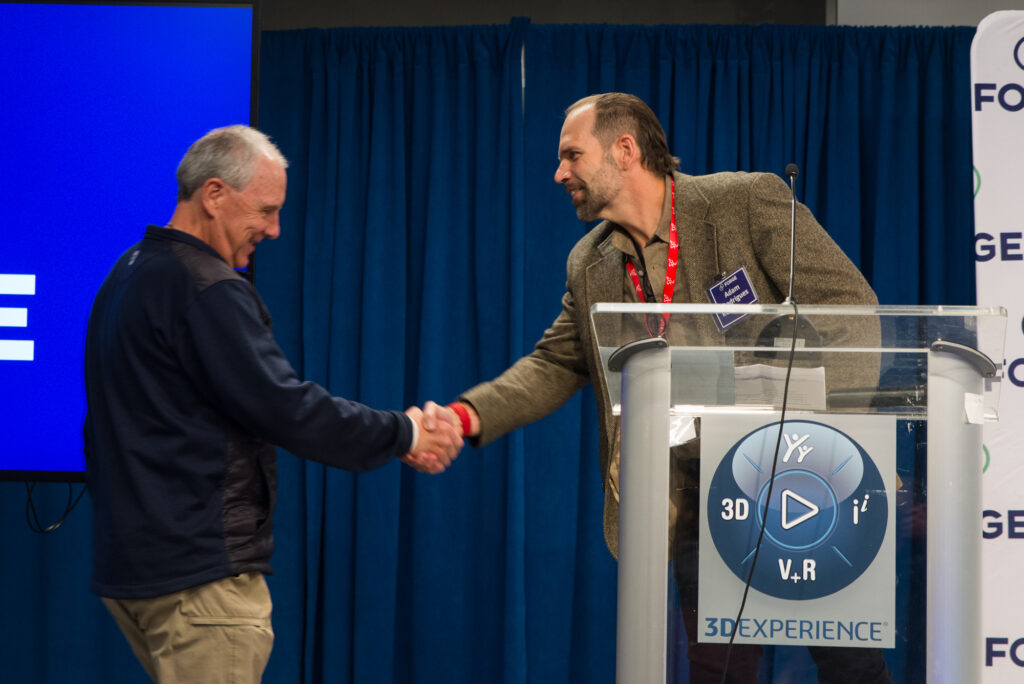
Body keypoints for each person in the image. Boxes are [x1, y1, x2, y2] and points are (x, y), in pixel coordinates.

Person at [427, 93, 891, 683]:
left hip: (806, 482)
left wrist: (804, 424)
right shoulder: (590, 263)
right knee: (718, 670)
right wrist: (466, 417)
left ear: (624, 151)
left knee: (851, 666)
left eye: (572, 155)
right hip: (701, 500)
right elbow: (556, 363)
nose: (559, 173)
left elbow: (851, 310)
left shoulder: (744, 202)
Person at [83, 125, 462, 684]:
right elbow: (289, 409)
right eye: (265, 210)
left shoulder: (127, 274)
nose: (275, 229)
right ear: (213, 194)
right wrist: (402, 433)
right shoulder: (206, 287)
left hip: (138, 573)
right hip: (201, 582)